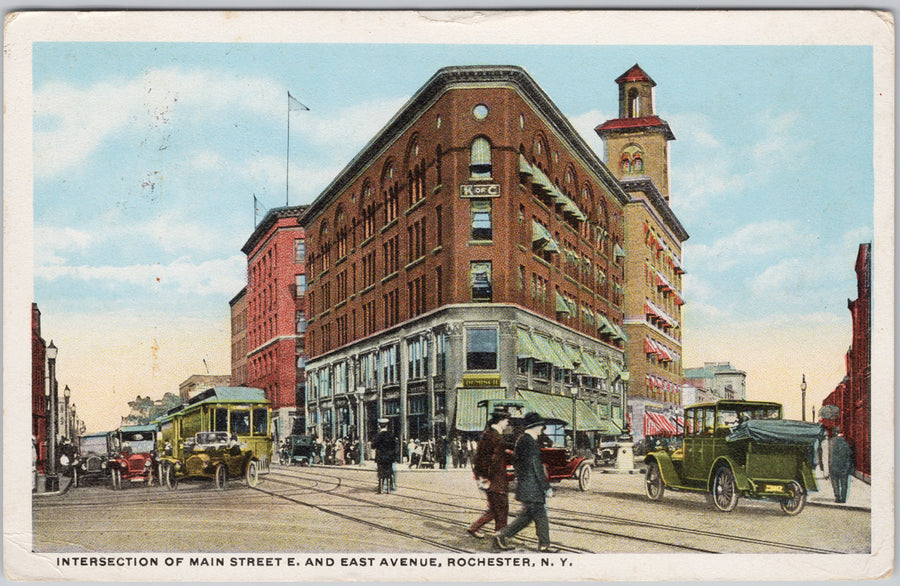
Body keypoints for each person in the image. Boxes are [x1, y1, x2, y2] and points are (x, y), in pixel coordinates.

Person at [493, 412, 559, 553]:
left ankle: (501, 535)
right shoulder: (530, 442)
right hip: (532, 486)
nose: (542, 429)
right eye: (541, 426)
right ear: (535, 427)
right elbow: (536, 467)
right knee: (540, 516)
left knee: (527, 517)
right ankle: (544, 545)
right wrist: (546, 486)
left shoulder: (522, 440)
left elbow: (517, 461)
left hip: (525, 485)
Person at [468, 407, 511, 538]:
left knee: (494, 509)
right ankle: (499, 539)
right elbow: (492, 460)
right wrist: (490, 479)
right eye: (506, 421)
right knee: (502, 509)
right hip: (495, 479)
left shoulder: (488, 434)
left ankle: (474, 528)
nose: (508, 424)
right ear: (501, 421)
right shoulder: (495, 436)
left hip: (489, 477)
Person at [829, 427, 854, 503]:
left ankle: (837, 497)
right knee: (844, 483)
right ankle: (843, 498)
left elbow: (829, 454)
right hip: (844, 466)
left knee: (835, 482)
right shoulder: (847, 441)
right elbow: (850, 454)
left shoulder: (831, 442)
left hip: (834, 465)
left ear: (835, 433)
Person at [372, 418, 397, 494]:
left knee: (381, 472)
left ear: (379, 426)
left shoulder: (377, 436)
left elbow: (373, 446)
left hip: (380, 457)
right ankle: (389, 489)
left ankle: (381, 489)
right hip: (389, 457)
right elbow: (394, 446)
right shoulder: (391, 435)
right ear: (387, 426)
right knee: (389, 472)